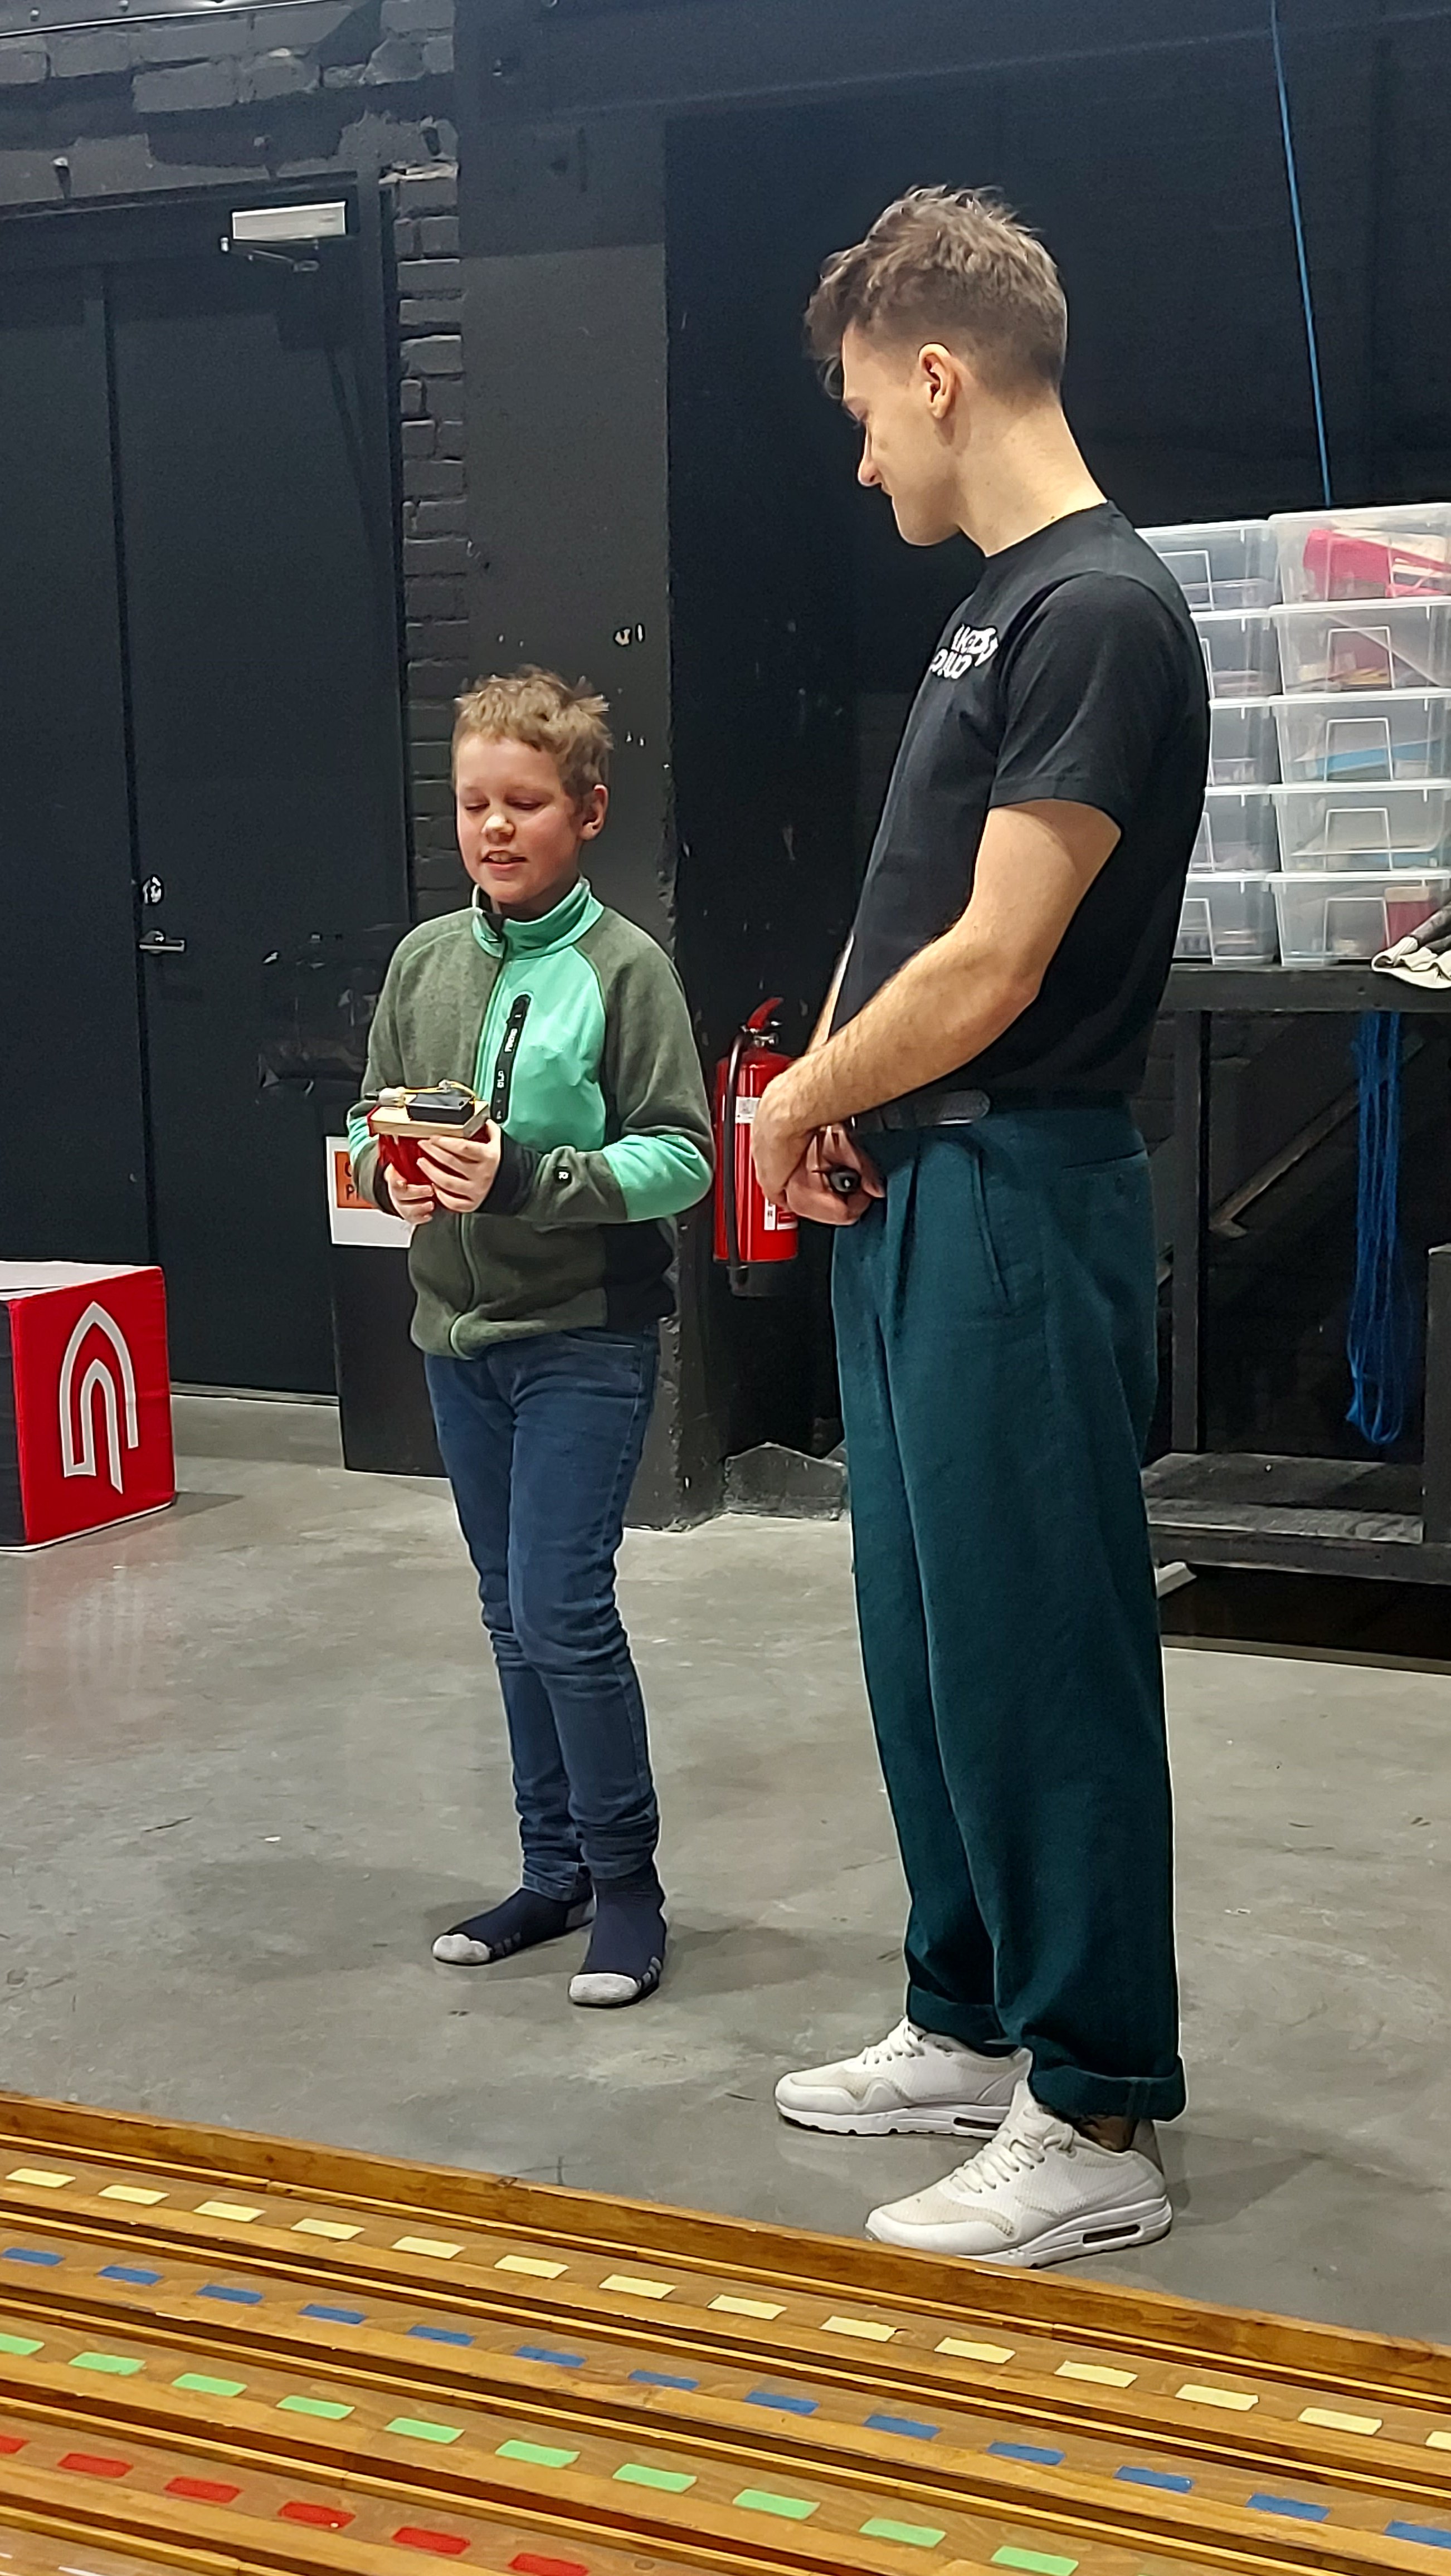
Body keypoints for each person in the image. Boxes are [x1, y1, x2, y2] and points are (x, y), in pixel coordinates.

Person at [752, 189, 1209, 2264]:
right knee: (927, 1631)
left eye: (865, 413)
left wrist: (790, 1098)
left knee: (1039, 1648)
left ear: (936, 376)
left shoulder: (1094, 609)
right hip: (919, 1181)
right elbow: (911, 917)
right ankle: (966, 2014)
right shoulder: (994, 612)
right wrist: (839, 1101)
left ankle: (1094, 2104)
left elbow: (1000, 959)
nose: (862, 462)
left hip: (1017, 1185)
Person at [349, 669, 712, 2008]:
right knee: (510, 1616)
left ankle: (629, 1886)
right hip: (458, 1339)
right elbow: (366, 1123)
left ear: (588, 812)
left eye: (525, 802)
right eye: (473, 804)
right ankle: (550, 1871)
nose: (494, 827)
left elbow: (683, 1157)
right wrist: (384, 1175)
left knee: (562, 1607)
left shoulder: (627, 970)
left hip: (583, 1338)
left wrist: (527, 1177)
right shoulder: (422, 963)